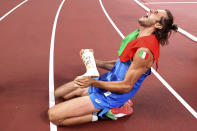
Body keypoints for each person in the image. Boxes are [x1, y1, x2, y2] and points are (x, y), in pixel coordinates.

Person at [48, 9, 178, 126]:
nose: (150, 10)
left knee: (54, 116)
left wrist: (93, 82)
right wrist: (92, 61)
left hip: (112, 96)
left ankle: (106, 114)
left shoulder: (144, 51)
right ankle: (93, 98)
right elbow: (119, 65)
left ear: (158, 25)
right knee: (59, 94)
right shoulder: (136, 36)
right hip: (107, 81)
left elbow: (126, 86)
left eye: (156, 13)